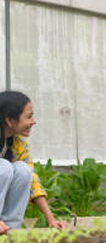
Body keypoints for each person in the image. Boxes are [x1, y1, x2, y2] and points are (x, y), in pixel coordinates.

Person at [0, 91, 67, 233]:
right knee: (4, 167)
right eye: (29, 117)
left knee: (24, 170)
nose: (33, 121)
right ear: (9, 120)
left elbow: (33, 182)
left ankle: (8, 232)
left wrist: (51, 219)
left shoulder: (18, 142)